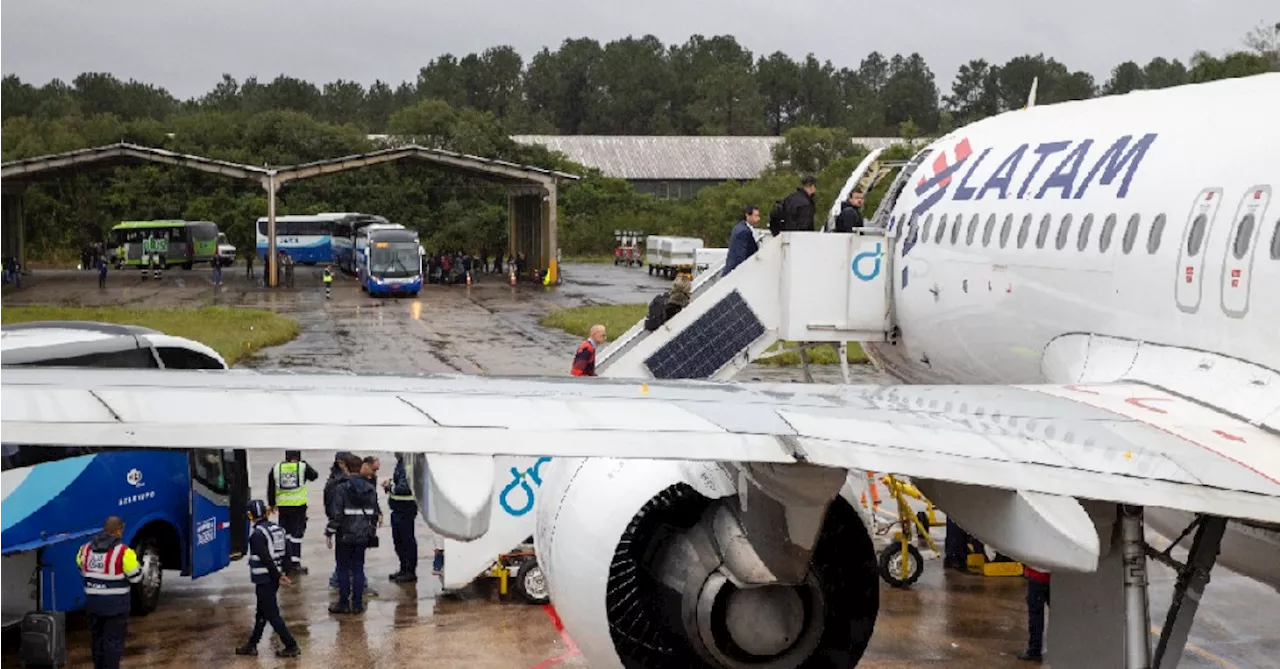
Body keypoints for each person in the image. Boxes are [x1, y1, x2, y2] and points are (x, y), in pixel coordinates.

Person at [235, 500, 300, 658]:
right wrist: (284, 572)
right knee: (262, 612)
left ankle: (291, 645)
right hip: (274, 578)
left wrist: (278, 576)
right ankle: (252, 644)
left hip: (265, 579)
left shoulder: (257, 535)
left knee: (271, 614)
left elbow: (265, 558)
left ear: (250, 516)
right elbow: (288, 555)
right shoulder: (279, 529)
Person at [77, 516, 142, 669]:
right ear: (119, 530)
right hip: (116, 607)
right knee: (113, 643)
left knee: (97, 640)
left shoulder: (85, 549)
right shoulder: (124, 552)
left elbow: (81, 568)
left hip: (93, 604)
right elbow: (136, 577)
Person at [326, 453, 380, 614]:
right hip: (362, 534)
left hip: (344, 534)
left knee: (342, 568)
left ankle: (343, 603)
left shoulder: (341, 488)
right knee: (358, 568)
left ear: (347, 469)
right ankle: (357, 604)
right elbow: (374, 514)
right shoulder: (370, 488)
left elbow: (337, 514)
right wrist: (371, 530)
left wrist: (329, 532)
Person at [267, 450, 319, 575]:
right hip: (298, 507)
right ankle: (295, 563)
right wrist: (304, 463)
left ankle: (285, 563)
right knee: (296, 536)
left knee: (285, 534)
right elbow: (314, 476)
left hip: (283, 507)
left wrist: (272, 503)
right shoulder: (302, 467)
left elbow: (271, 487)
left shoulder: (276, 468)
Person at [383, 453, 419, 582]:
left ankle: (410, 571)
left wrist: (389, 487)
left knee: (406, 540)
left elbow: (404, 487)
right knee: (399, 540)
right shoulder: (401, 463)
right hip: (398, 508)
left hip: (406, 508)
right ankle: (404, 568)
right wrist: (391, 482)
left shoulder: (408, 464)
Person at [1019, 565, 1052, 662]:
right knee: (1061, 613)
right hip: (1055, 576)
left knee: (1035, 615)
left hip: (1038, 576)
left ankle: (1034, 650)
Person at [723, 204, 761, 276]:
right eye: (756, 216)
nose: (758, 219)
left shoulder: (739, 227)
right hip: (736, 274)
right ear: (747, 215)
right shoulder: (744, 231)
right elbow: (740, 256)